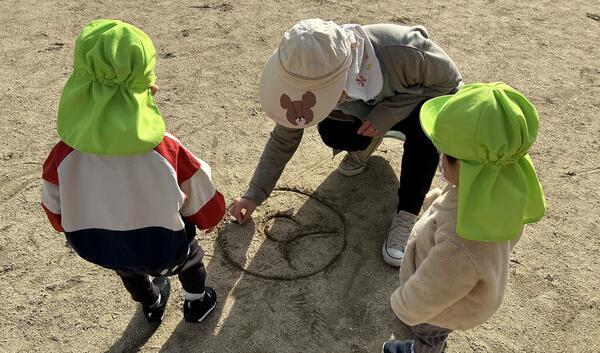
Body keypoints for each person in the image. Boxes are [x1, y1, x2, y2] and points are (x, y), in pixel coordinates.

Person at [229, 19, 463, 266]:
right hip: (366, 113)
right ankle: (368, 142)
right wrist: (255, 193)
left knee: (425, 132)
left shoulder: (402, 50)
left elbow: (451, 85)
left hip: (411, 106)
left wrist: (389, 113)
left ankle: (407, 214)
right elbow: (284, 137)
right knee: (334, 133)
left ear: (347, 69)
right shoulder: (305, 65)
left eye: (321, 92)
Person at [40, 19, 226, 324]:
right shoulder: (166, 151)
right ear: (146, 86)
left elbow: (54, 209)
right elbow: (205, 205)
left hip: (102, 245)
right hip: (163, 246)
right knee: (190, 260)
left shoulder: (61, 156)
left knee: (127, 268)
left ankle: (151, 302)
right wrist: (210, 217)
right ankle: (197, 302)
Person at [382, 82, 546, 353]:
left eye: (446, 154)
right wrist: (438, 202)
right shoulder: (498, 180)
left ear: (469, 168)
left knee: (429, 333)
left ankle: (422, 349)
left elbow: (435, 287)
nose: (440, 159)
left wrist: (404, 304)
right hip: (462, 291)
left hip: (443, 307)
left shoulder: (463, 241)